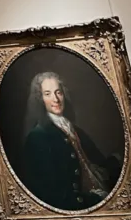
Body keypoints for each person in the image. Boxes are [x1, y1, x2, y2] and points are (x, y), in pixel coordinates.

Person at [22, 71, 120, 211]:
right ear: (40, 99)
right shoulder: (38, 137)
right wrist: (92, 199)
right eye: (48, 94)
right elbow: (51, 193)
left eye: (58, 92)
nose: (55, 99)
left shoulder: (74, 129)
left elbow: (98, 162)